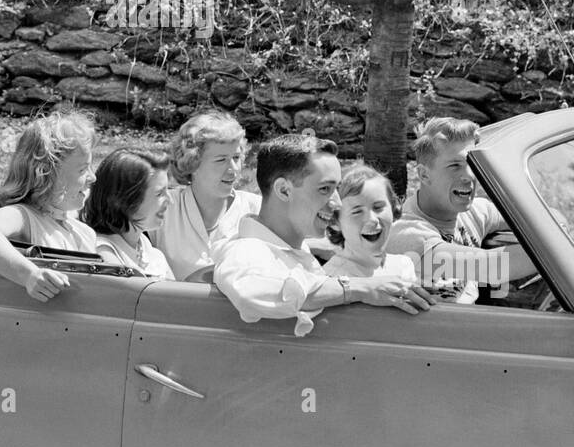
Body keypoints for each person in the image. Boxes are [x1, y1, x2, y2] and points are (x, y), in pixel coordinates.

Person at [213, 133, 434, 337]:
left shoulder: (294, 250)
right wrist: (360, 288)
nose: (337, 203)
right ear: (283, 190)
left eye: (336, 189)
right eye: (324, 189)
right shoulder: (246, 250)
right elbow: (255, 292)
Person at [386, 117, 539, 303]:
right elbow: (492, 268)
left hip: (469, 324)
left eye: (472, 164)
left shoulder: (475, 211)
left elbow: (536, 216)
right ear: (424, 175)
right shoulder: (407, 234)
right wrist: (560, 253)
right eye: (455, 166)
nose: (469, 176)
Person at [0, 109, 97, 303]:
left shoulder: (82, 231)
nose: (93, 177)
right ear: (48, 174)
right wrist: (29, 275)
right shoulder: (25, 216)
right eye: (83, 169)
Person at [154, 111, 260, 281]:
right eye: (221, 160)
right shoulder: (163, 208)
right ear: (192, 163)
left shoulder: (258, 210)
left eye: (236, 157)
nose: (233, 168)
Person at [82, 148, 175, 279]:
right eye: (159, 193)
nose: (170, 201)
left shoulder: (154, 255)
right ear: (125, 200)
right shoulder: (101, 256)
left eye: (168, 190)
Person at [322, 164, 418, 288]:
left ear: (394, 208)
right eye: (357, 212)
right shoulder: (330, 281)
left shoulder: (403, 266)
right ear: (334, 222)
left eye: (378, 207)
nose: (372, 219)